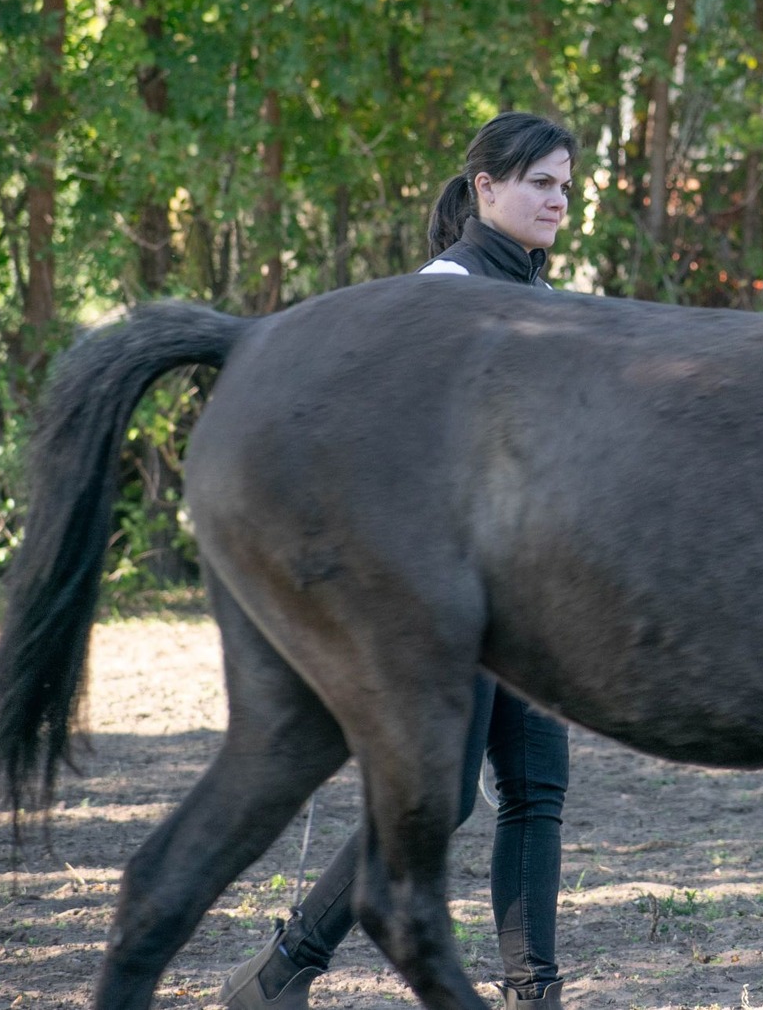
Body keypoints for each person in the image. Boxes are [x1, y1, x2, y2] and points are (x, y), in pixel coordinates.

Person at [220, 112, 580, 1010]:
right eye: (542, 181)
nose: (559, 201)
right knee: (445, 796)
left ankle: (535, 993)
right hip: (442, 596)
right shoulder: (438, 294)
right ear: (485, 187)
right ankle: (284, 969)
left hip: (527, 589)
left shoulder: (544, 298)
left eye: (567, 187)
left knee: (538, 785)